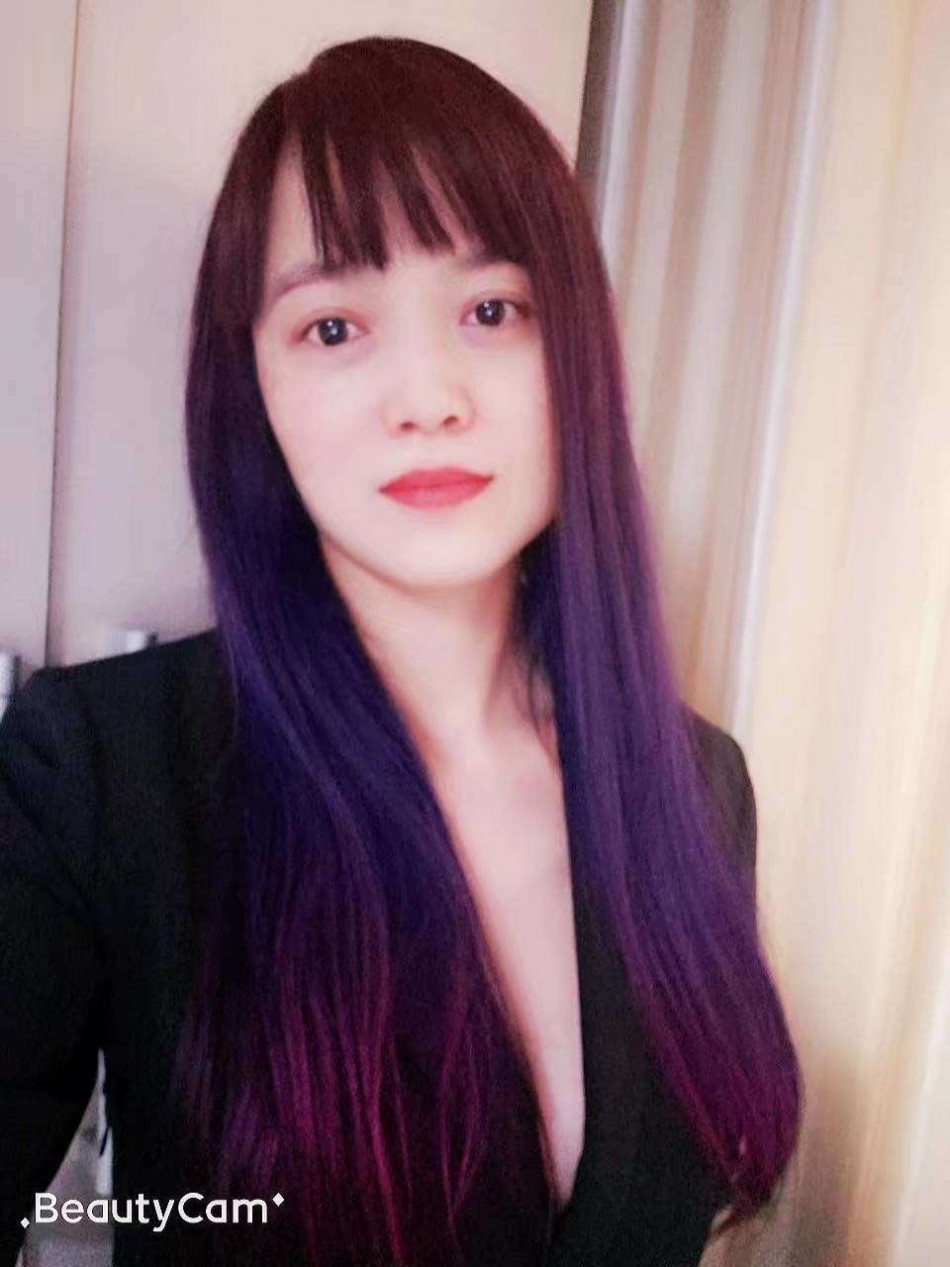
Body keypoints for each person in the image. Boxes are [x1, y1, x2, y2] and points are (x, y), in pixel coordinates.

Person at [0, 35, 801, 1267]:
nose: (427, 396)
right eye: (332, 327)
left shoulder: (697, 786)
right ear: (252, 385)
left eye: (491, 310)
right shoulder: (99, 772)